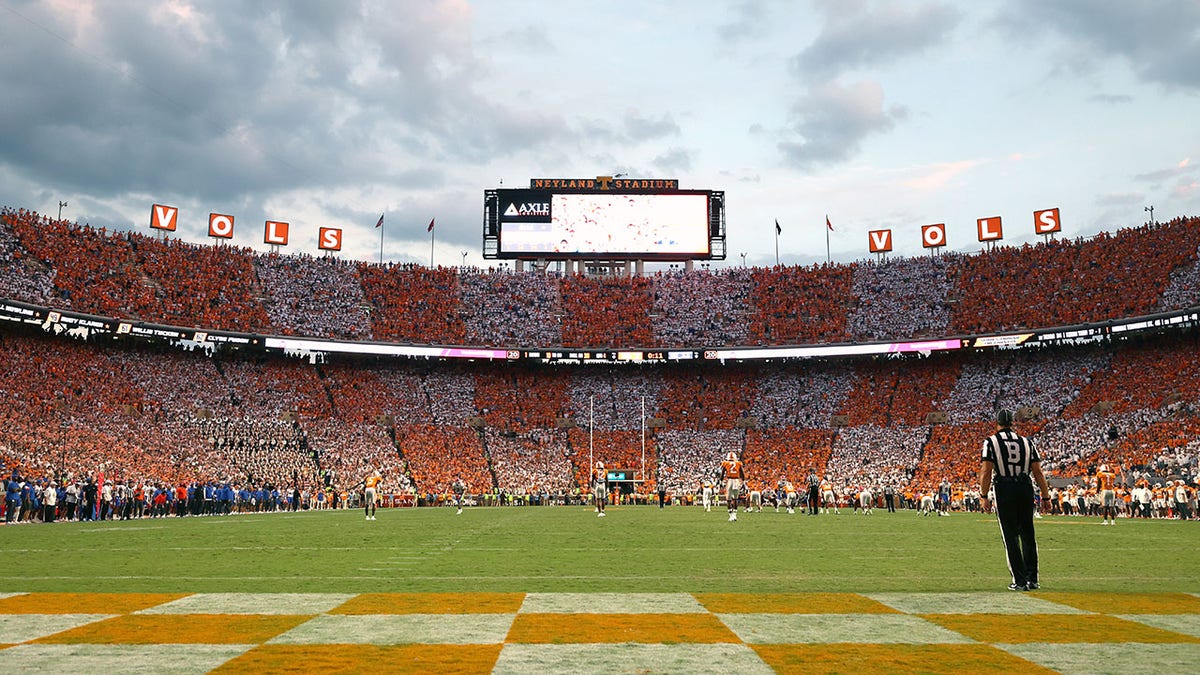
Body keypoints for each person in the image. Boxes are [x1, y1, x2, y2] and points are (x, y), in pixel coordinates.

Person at [979, 409, 1052, 591]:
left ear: (997, 423)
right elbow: (1038, 472)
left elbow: (986, 470)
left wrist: (983, 495)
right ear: (1012, 423)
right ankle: (1032, 579)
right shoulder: (1027, 442)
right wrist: (1045, 496)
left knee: (1010, 536)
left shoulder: (991, 442)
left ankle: (1019, 581)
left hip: (1004, 488)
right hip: (1025, 487)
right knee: (1028, 534)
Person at [719, 451, 744, 522]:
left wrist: (720, 481)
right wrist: (743, 481)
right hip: (736, 481)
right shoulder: (738, 463)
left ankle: (731, 516)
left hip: (729, 481)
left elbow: (722, 473)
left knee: (728, 499)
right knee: (735, 499)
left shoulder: (726, 463)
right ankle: (735, 515)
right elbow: (742, 473)